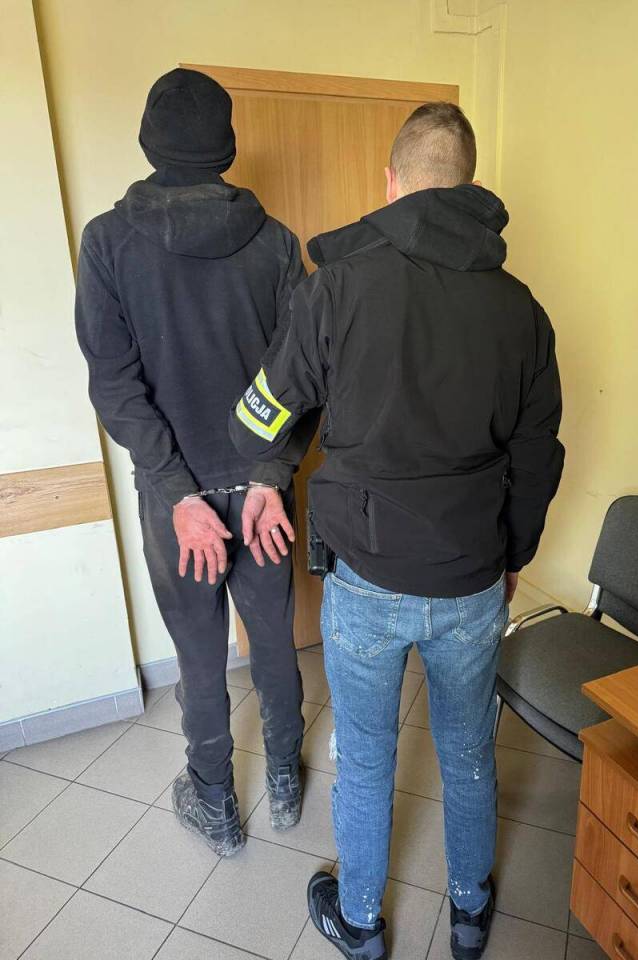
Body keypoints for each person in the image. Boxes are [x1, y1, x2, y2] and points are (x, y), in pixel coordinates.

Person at [230, 102, 564, 959]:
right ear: (470, 185)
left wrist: (265, 469)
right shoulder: (522, 311)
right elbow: (538, 458)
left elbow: (260, 415)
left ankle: (363, 924)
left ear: (392, 182)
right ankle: (470, 915)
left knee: (369, 756)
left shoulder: (335, 287)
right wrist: (514, 557)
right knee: (469, 753)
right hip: (473, 579)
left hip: (367, 580)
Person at [75, 68, 314, 856]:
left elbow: (115, 385)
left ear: (150, 142)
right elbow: (303, 374)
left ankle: (215, 802)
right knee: (271, 639)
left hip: (177, 496)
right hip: (262, 493)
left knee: (200, 653)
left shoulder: (108, 243)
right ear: (226, 146)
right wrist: (271, 475)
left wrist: (178, 494)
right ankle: (285, 779)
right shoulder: (277, 244)